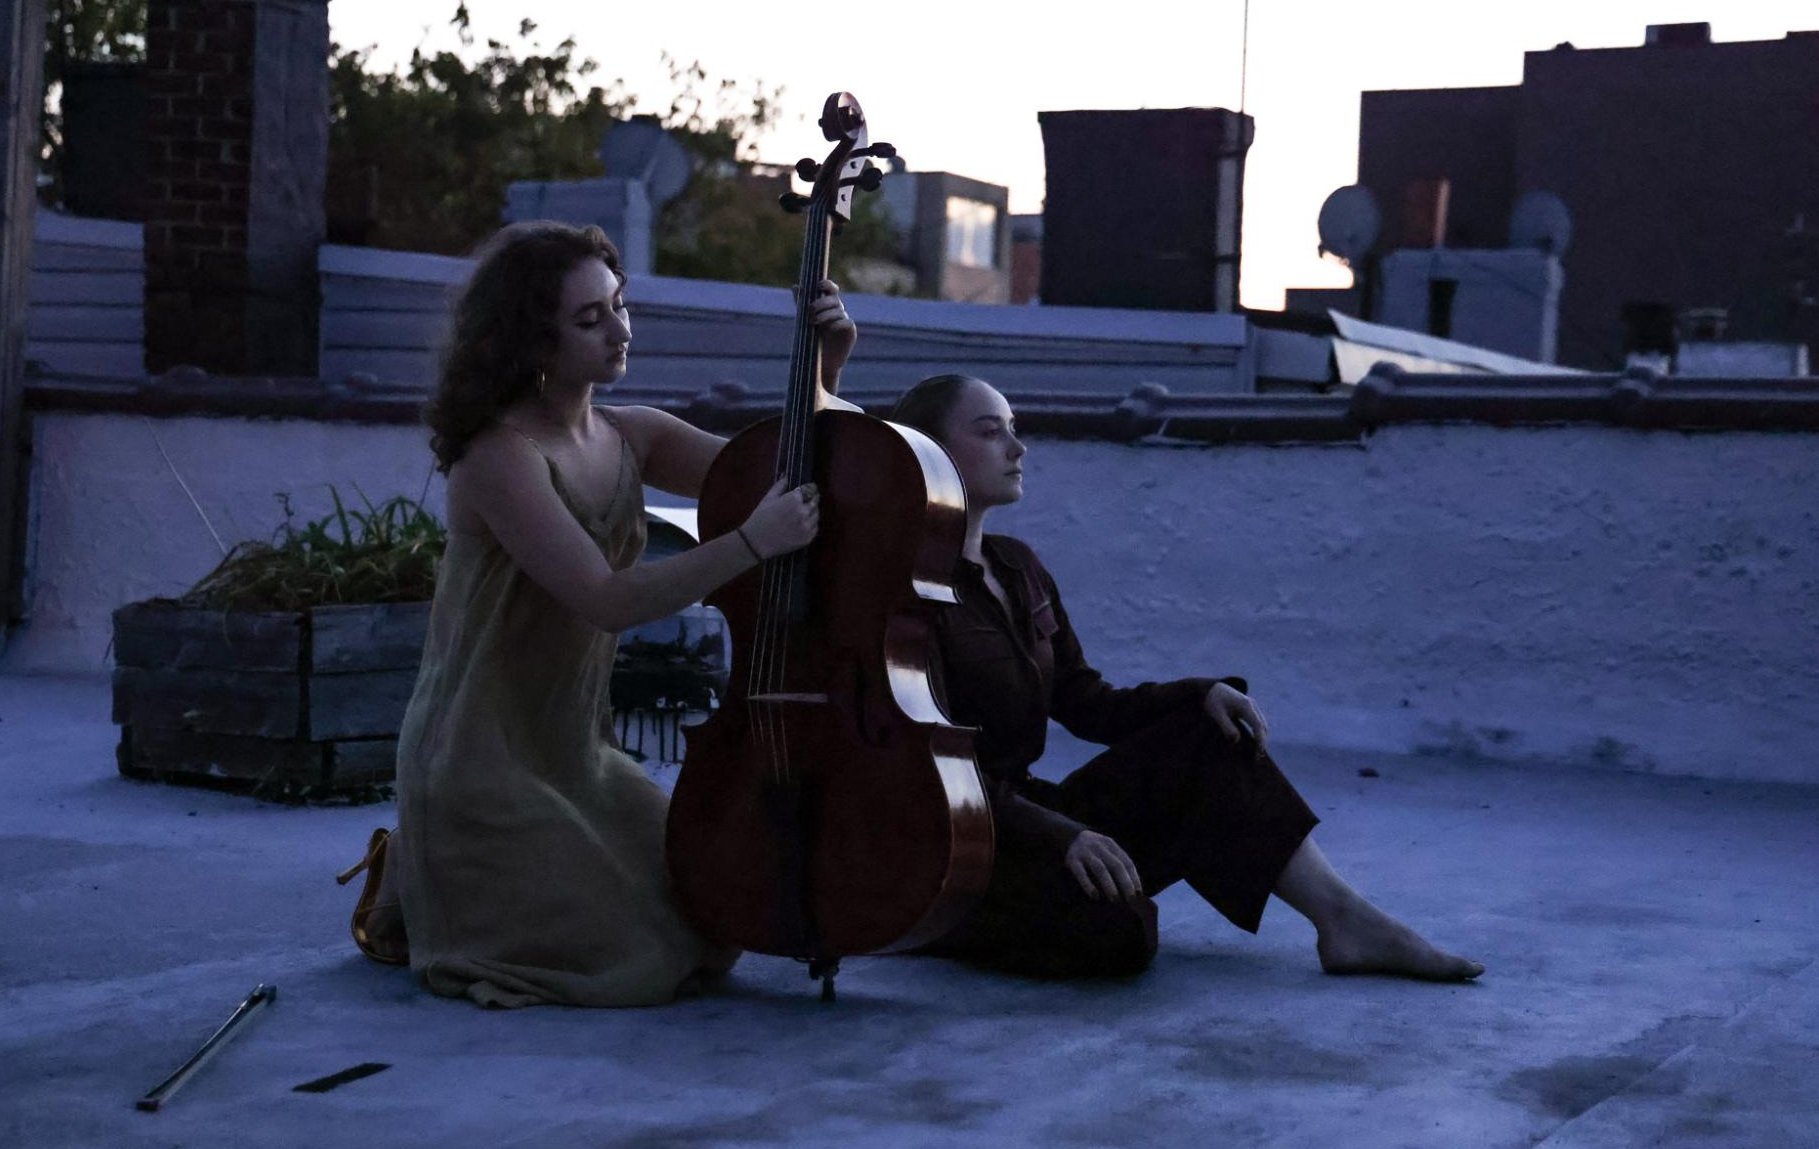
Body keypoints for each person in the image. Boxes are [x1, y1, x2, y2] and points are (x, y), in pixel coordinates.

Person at [337, 220, 857, 1009]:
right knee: (637, 959)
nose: (619, 330)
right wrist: (752, 542)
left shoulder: (631, 434)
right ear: (531, 341)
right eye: (589, 319)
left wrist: (825, 367)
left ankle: (429, 874)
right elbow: (605, 598)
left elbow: (780, 477)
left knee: (713, 916)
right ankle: (425, 867)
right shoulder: (498, 457)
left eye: (619, 305)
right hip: (477, 761)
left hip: (576, 753)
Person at [886, 374, 1484, 983]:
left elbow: (1087, 702)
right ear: (928, 453)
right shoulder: (899, 590)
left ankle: (1345, 921)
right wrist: (1061, 835)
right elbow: (917, 765)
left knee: (1208, 733)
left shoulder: (1018, 568)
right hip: (959, 841)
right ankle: (955, 925)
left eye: (1014, 430)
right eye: (990, 433)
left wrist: (1199, 693)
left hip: (1030, 813)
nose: (1018, 449)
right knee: (1117, 934)